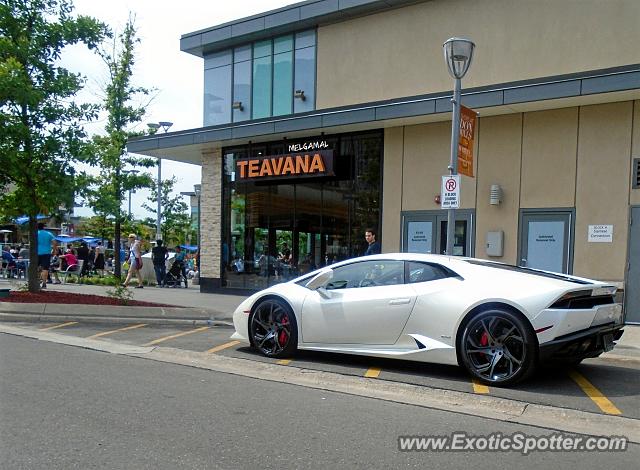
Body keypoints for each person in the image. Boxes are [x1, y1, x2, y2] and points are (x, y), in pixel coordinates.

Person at [37, 223, 56, 288]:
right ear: (43, 227)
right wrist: (54, 250)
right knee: (45, 268)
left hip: (37, 253)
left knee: (37, 268)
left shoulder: (35, 234)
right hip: (47, 253)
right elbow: (54, 242)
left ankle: (37, 282)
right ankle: (44, 283)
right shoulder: (49, 234)